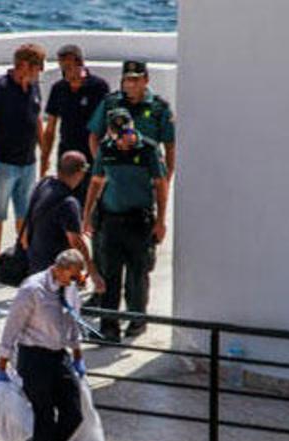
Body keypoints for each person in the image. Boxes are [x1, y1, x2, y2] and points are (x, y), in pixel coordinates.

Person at [0, 249, 87, 441]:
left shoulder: (69, 287)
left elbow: (72, 319)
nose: (75, 280)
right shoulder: (32, 289)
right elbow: (12, 326)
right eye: (73, 276)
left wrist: (77, 354)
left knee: (73, 414)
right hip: (35, 358)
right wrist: (2, 363)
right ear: (61, 269)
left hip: (58, 356)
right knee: (44, 420)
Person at [87, 59, 176, 312]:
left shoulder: (159, 108)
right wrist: (103, 167)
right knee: (105, 251)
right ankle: (103, 299)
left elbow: (169, 146)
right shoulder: (112, 103)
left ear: (146, 80)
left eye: (136, 79)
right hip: (113, 189)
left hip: (143, 187)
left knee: (139, 264)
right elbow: (94, 135)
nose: (131, 84)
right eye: (127, 79)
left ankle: (136, 313)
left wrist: (166, 177)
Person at [82, 108, 169, 342]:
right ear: (110, 132)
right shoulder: (106, 149)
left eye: (127, 132)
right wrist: (87, 214)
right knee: (110, 275)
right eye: (118, 133)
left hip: (139, 221)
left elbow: (160, 184)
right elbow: (96, 181)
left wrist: (161, 220)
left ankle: (136, 320)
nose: (124, 138)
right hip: (111, 220)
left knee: (137, 275)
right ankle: (109, 326)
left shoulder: (148, 149)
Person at [0, 43, 47, 279]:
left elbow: (37, 119)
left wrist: (44, 153)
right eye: (38, 66)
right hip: (3, 164)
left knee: (25, 215)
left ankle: (24, 260)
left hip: (28, 162)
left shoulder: (34, 87)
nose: (41, 71)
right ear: (24, 65)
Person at [22, 151, 105, 294]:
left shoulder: (43, 184)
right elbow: (76, 242)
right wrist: (94, 274)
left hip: (35, 267)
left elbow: (26, 229)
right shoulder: (68, 203)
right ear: (80, 173)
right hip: (58, 273)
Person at [42, 44, 110, 206]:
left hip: (91, 153)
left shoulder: (99, 87)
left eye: (68, 67)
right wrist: (44, 158)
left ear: (80, 63)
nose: (65, 72)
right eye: (62, 68)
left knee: (91, 200)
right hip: (66, 152)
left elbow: (107, 123)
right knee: (64, 199)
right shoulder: (58, 89)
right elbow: (51, 127)